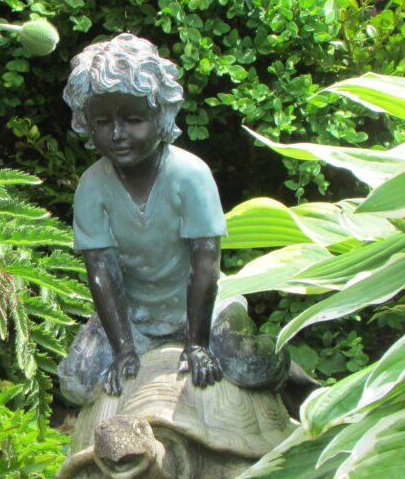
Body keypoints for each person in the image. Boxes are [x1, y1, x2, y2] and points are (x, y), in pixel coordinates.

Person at [58, 34, 282, 405]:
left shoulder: (189, 175)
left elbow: (205, 264)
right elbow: (102, 271)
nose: (118, 135)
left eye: (133, 120)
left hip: (203, 311)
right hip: (135, 318)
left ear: (160, 116)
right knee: (78, 383)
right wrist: (123, 348)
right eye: (102, 122)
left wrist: (197, 343)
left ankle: (288, 376)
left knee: (249, 366)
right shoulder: (92, 187)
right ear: (85, 122)